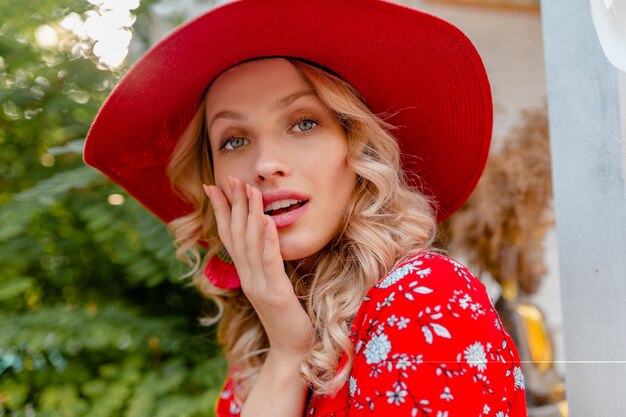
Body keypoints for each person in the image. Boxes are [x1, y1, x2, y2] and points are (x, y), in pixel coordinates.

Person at [84, 1, 528, 416]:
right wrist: (286, 354)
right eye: (234, 140)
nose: (266, 165)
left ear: (357, 149)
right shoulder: (258, 346)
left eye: (303, 122)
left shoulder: (428, 297)